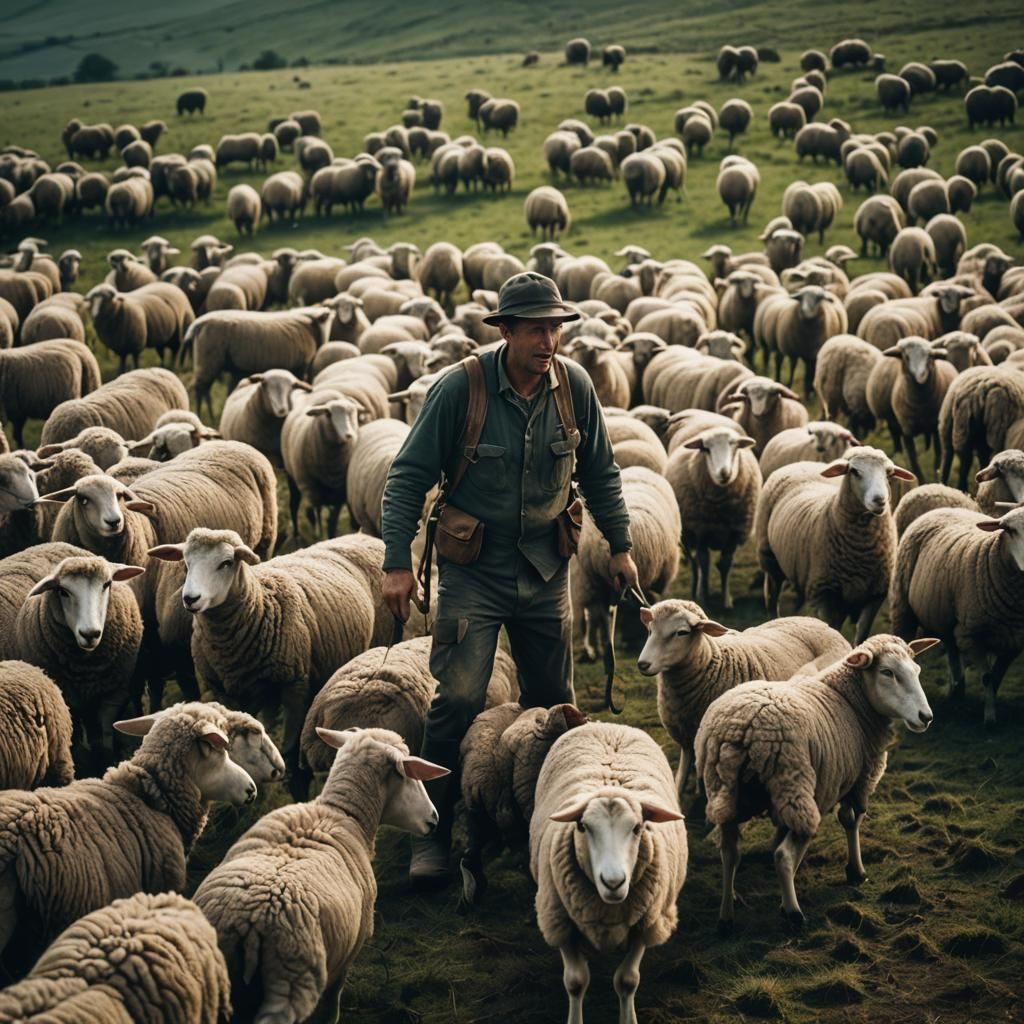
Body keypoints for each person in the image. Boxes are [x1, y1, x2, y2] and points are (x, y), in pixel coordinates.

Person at [380, 271, 639, 889]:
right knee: (461, 696)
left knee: (554, 703)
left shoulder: (573, 388)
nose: (548, 340)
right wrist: (396, 561)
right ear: (506, 332)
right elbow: (407, 476)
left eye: (555, 328)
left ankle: (551, 828)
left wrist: (622, 545)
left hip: (548, 567)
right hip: (476, 569)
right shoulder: (461, 390)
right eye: (535, 329)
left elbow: (601, 470)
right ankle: (434, 833)